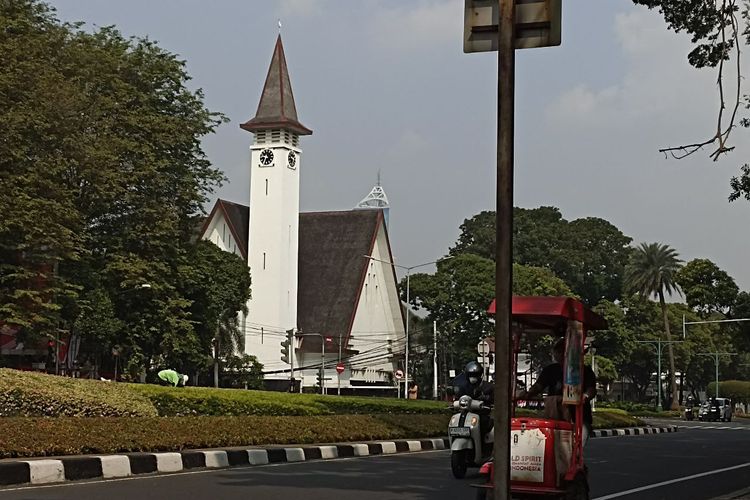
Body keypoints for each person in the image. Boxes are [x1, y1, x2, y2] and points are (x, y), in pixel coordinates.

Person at [517, 337, 597, 446]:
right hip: (554, 417)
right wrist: (528, 394)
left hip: (579, 418)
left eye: (563, 351)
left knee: (576, 448)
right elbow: (539, 386)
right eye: (558, 352)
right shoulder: (550, 370)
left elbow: (591, 390)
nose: (561, 355)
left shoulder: (585, 371)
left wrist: (585, 396)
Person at [454, 361, 494, 448]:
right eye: (471, 375)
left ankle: (483, 446)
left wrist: (486, 399)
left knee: (483, 424)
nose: (473, 378)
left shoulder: (488, 387)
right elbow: (458, 398)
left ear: (480, 375)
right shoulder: (464, 387)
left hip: (482, 414)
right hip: (465, 413)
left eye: (475, 375)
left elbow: (493, 399)